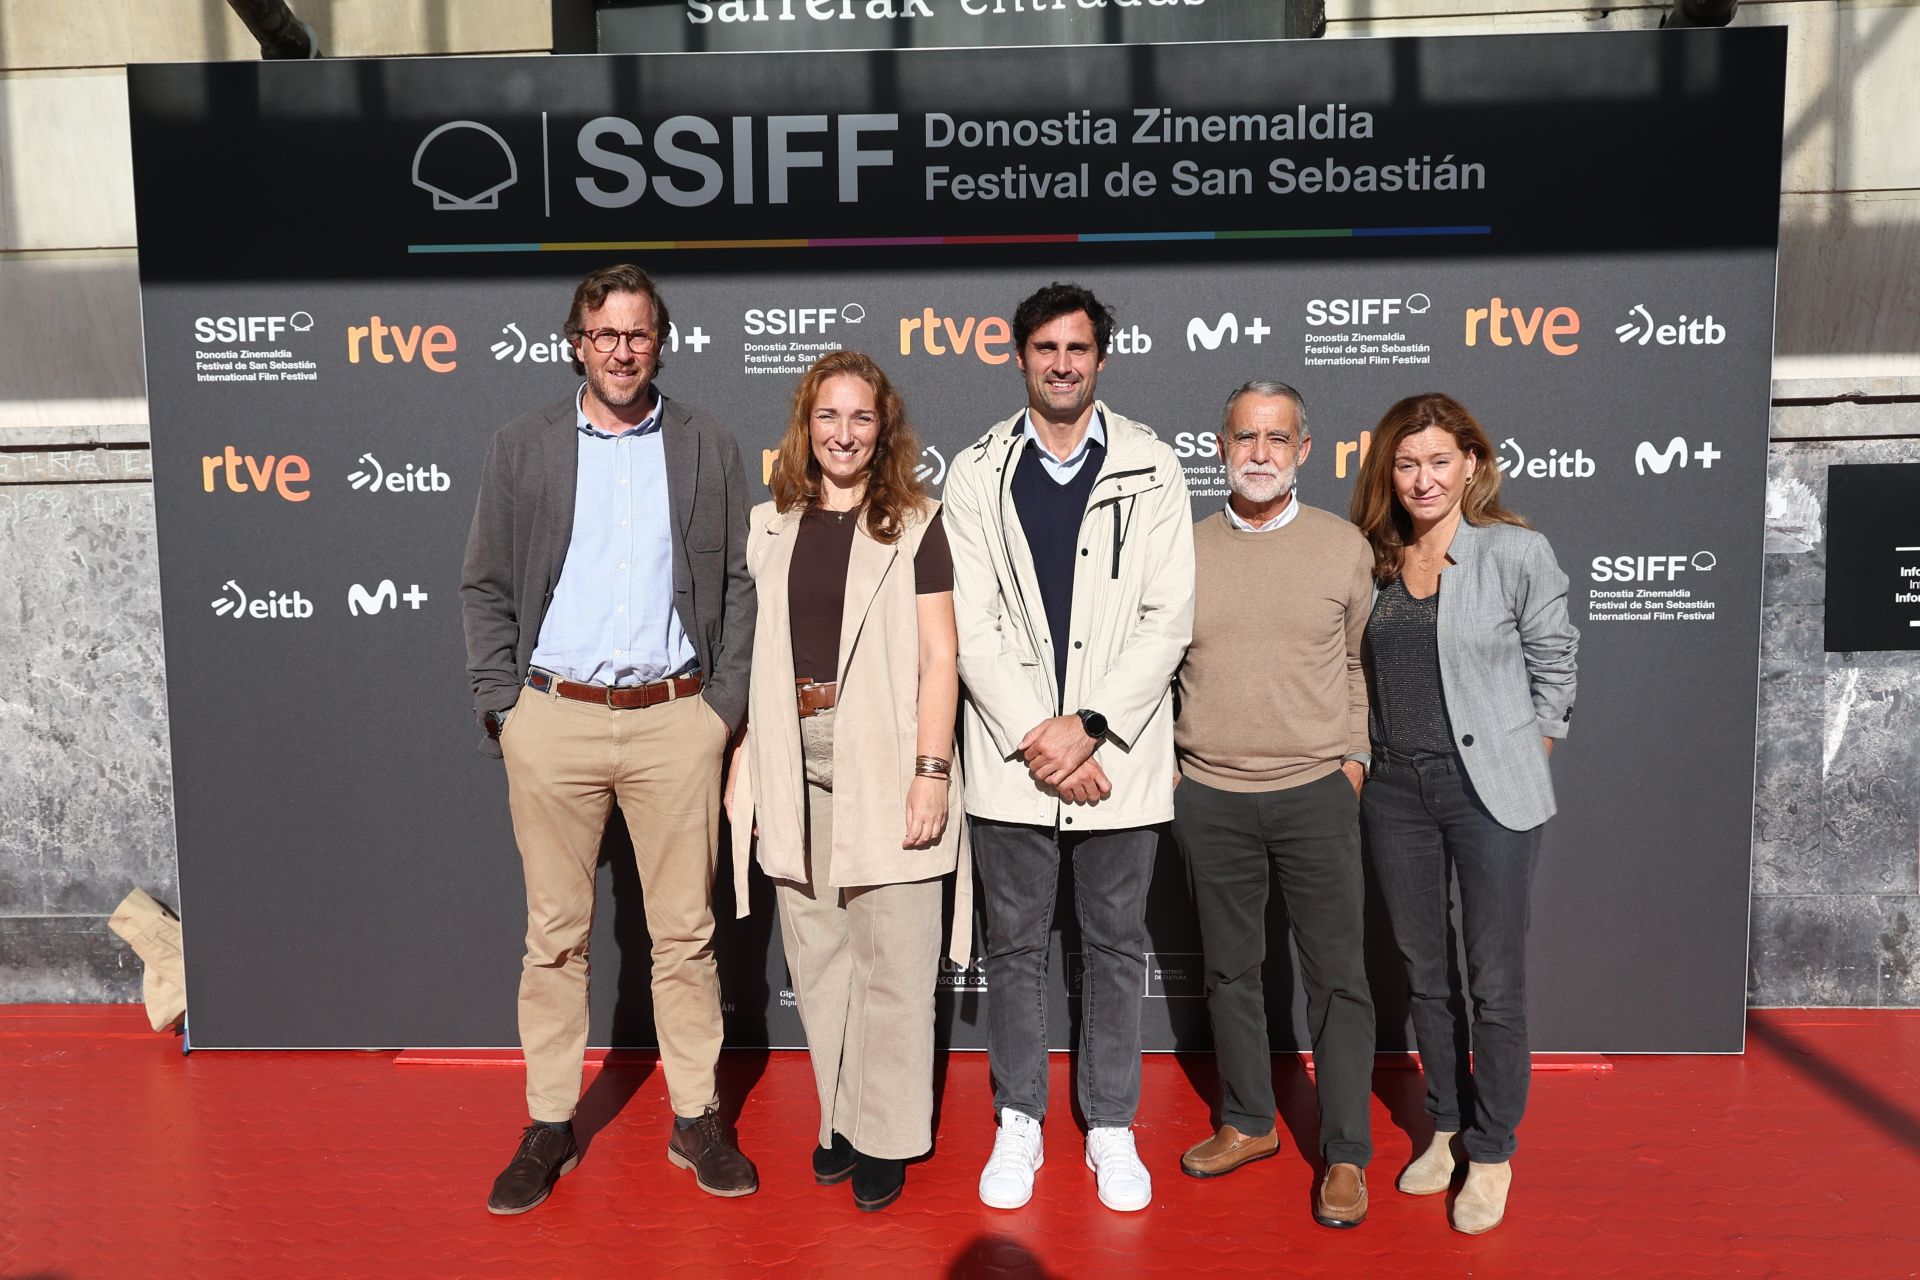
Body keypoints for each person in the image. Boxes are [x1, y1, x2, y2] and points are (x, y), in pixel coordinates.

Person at [460, 263, 758, 1214]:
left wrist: (721, 712)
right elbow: (487, 586)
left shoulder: (708, 442)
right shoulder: (523, 446)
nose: (621, 350)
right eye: (604, 334)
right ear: (577, 343)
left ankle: (696, 1118)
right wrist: (507, 712)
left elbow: (741, 589)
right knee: (555, 939)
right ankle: (550, 1123)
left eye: (637, 334)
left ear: (658, 341)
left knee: (686, 937)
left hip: (678, 721)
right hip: (555, 719)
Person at [943, 282, 1195, 1214]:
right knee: (1012, 951)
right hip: (1014, 761)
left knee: (1116, 947)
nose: (1060, 363)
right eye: (1044, 347)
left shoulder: (1154, 465)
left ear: (1100, 358)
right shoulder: (974, 471)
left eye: (1077, 348)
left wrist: (1087, 726)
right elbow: (969, 627)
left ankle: (1112, 1126)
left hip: (1116, 758)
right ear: (1018, 356)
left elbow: (1169, 620)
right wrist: (1037, 735)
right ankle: (1020, 1120)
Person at [723, 350, 967, 1213]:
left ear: (883, 428)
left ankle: (887, 1134)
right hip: (793, 752)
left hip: (887, 750)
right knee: (820, 954)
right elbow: (748, 660)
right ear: (806, 424)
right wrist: (745, 768)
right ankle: (841, 1115)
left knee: (895, 958)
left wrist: (930, 771)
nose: (844, 433)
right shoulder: (768, 525)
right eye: (829, 416)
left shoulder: (919, 522)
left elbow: (942, 656)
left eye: (861, 417)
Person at [1348, 392, 1578, 1235]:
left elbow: (1556, 667)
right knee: (1424, 972)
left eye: (1439, 461)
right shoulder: (1370, 560)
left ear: (1472, 465)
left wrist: (1528, 757)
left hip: (1491, 794)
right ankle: (1444, 1124)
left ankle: (1492, 1150)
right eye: (1407, 464)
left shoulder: (1515, 552)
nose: (1422, 478)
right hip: (1396, 794)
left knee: (1494, 979)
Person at [1172, 381, 1377, 1228]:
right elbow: (1153, 677)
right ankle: (1251, 1120)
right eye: (1245, 437)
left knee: (1338, 980)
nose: (1260, 452)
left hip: (1316, 795)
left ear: (1303, 450)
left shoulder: (1343, 547)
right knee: (1229, 971)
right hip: (1211, 796)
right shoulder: (1179, 549)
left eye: (1277, 438)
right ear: (1220, 446)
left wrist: (1353, 765)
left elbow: (1361, 667)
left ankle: (1345, 1154)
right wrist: (1180, 779)